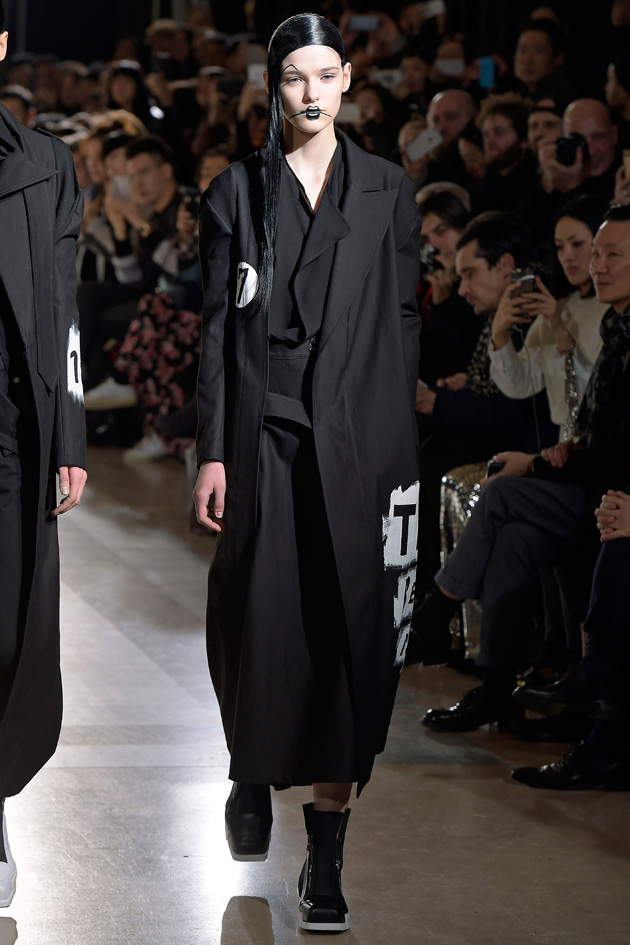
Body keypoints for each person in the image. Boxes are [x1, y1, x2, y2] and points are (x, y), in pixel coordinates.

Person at [193, 13, 420, 933]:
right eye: (295, 77)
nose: (312, 92)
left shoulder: (388, 189)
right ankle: (250, 768)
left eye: (326, 74)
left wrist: (395, 440)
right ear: (274, 86)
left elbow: (401, 320)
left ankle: (326, 854)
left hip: (360, 439)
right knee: (253, 615)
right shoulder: (235, 191)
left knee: (347, 633)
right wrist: (212, 448)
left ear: (349, 79)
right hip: (263, 433)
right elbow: (218, 329)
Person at [411, 204, 630, 733]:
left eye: (599, 250)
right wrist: (503, 330)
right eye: (571, 248)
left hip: (595, 482)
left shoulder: (603, 321)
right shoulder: (603, 317)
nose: (587, 262)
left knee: (499, 494)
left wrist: (537, 460)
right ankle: (495, 688)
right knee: (513, 537)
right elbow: (522, 385)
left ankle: (434, 615)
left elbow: (589, 422)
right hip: (580, 469)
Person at [0, 5, 87, 907]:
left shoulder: (42, 164)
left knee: (4, 625)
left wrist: (70, 434)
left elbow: (62, 308)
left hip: (8, 429)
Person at [489, 195, 608, 440]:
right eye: (560, 246)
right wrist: (499, 333)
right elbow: (521, 384)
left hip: (602, 440)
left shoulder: (615, 309)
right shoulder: (558, 307)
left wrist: (560, 330)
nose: (567, 256)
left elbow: (598, 396)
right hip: (564, 442)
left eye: (577, 244)